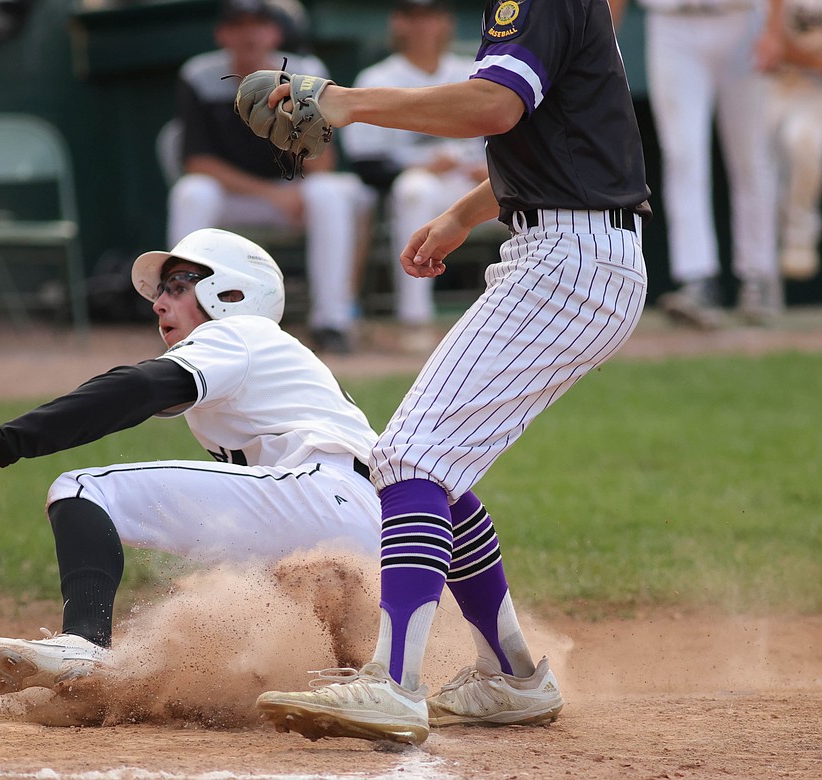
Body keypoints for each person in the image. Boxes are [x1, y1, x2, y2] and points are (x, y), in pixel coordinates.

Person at [247, 0, 651, 745]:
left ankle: (395, 686)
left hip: (569, 259)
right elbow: (564, 137)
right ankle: (511, 676)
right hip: (573, 250)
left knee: (410, 458)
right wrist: (468, 212)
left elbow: (495, 107)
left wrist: (348, 102)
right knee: (435, 469)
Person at [0, 228, 382, 695]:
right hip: (362, 526)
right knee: (254, 618)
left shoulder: (240, 333)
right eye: (161, 291)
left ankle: (83, 644)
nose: (158, 303)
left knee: (84, 490)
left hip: (317, 493)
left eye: (178, 286)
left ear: (229, 294)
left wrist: (8, 441)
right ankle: (346, 678)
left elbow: (139, 388)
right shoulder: (275, 358)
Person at [167, 0, 369, 354]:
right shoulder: (199, 74)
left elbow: (324, 163)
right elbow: (197, 162)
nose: (251, 35)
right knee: (192, 192)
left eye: (259, 24)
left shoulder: (305, 72)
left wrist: (289, 109)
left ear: (275, 32)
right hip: (237, 197)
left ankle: (332, 321)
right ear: (222, 33)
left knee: (330, 193)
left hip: (293, 197)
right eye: (239, 25)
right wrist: (270, 194)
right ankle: (184, 318)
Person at [623, 0, 786, 328]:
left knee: (751, 155)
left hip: (741, 20)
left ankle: (758, 275)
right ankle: (697, 280)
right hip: (670, 22)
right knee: (682, 155)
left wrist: (774, 30)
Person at [340, 0, 490, 335]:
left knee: (520, 185)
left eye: (431, 15)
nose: (422, 25)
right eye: (413, 16)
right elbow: (366, 162)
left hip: (476, 181)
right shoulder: (377, 77)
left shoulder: (474, 70)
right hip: (421, 184)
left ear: (445, 22)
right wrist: (423, 165)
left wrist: (492, 169)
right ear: (398, 23)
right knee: (414, 189)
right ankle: (415, 318)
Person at [768, 0, 822, 281]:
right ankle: (759, 279)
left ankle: (799, 235)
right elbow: (769, 47)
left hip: (815, 93)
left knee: (802, 140)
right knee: (759, 165)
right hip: (775, 86)